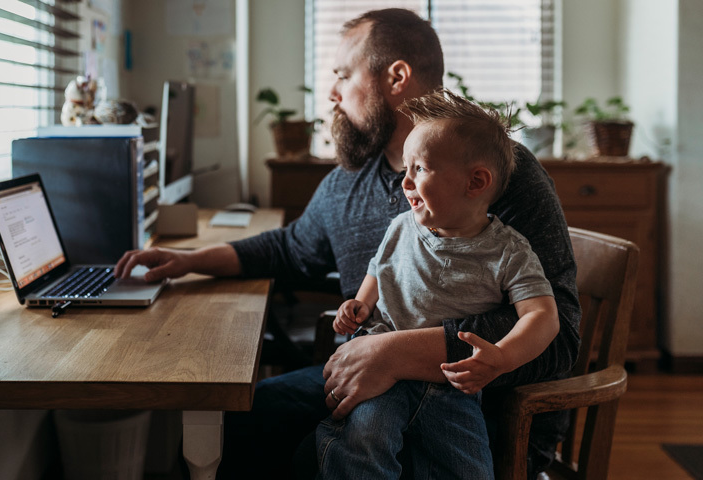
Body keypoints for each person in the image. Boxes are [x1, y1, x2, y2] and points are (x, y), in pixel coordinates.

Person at [114, 8, 580, 479]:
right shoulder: (351, 181)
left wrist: (396, 353)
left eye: (342, 75)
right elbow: (289, 249)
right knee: (243, 419)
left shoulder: (496, 177)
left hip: (477, 410)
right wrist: (187, 260)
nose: (332, 93)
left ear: (396, 76)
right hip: (368, 372)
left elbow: (558, 335)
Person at [317, 89, 560, 479]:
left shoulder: (509, 251)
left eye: (420, 169)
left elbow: (544, 315)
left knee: (471, 470)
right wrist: (360, 303)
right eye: (406, 168)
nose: (405, 181)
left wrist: (502, 357)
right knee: (363, 443)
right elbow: (379, 269)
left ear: (475, 182)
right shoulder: (401, 227)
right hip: (380, 374)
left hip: (451, 386)